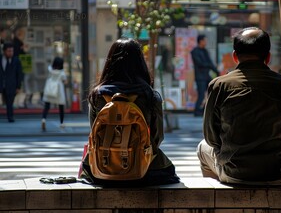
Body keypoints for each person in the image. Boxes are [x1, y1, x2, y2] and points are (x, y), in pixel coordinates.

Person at [196, 27, 281, 185]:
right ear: (268, 57)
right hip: (280, 173)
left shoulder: (219, 85)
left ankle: (220, 201)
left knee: (202, 147)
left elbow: (210, 137)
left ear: (235, 56)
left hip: (234, 173)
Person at [85, 38, 179, 185]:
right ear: (140, 63)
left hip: (101, 169)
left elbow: (93, 132)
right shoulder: (150, 96)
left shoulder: (97, 96)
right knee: (169, 172)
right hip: (145, 170)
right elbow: (157, 137)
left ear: (110, 63)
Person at [191, 34, 219, 117]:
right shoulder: (195, 51)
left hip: (206, 76)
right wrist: (209, 66)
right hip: (200, 77)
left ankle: (205, 109)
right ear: (200, 41)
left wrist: (216, 71)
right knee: (201, 94)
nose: (206, 42)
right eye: (205, 40)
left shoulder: (205, 51)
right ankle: (197, 111)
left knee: (212, 91)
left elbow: (210, 62)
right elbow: (200, 63)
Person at [41, 56, 67, 130]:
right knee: (61, 107)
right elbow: (65, 81)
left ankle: (43, 119)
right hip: (58, 91)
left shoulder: (50, 70)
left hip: (49, 89)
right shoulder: (61, 73)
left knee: (47, 106)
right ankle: (61, 123)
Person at [0, 43, 23, 122]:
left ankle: (10, 117)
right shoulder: (0, 59)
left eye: (12, 51)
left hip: (11, 84)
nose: (10, 53)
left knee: (10, 102)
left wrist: (18, 87)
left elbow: (19, 74)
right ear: (4, 51)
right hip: (1, 83)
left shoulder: (16, 60)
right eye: (9, 51)